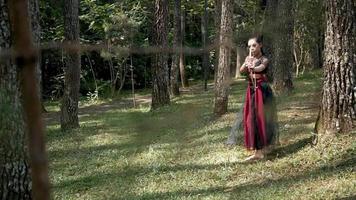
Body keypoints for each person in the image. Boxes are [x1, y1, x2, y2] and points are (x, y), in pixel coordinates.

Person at [239, 35, 277, 161]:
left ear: (260, 45)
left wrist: (252, 66)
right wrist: (246, 63)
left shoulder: (264, 59)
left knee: (262, 118)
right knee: (251, 118)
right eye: (249, 46)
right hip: (251, 91)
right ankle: (257, 150)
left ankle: (261, 150)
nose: (251, 48)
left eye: (254, 45)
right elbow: (241, 71)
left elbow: (260, 68)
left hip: (262, 90)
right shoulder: (248, 58)